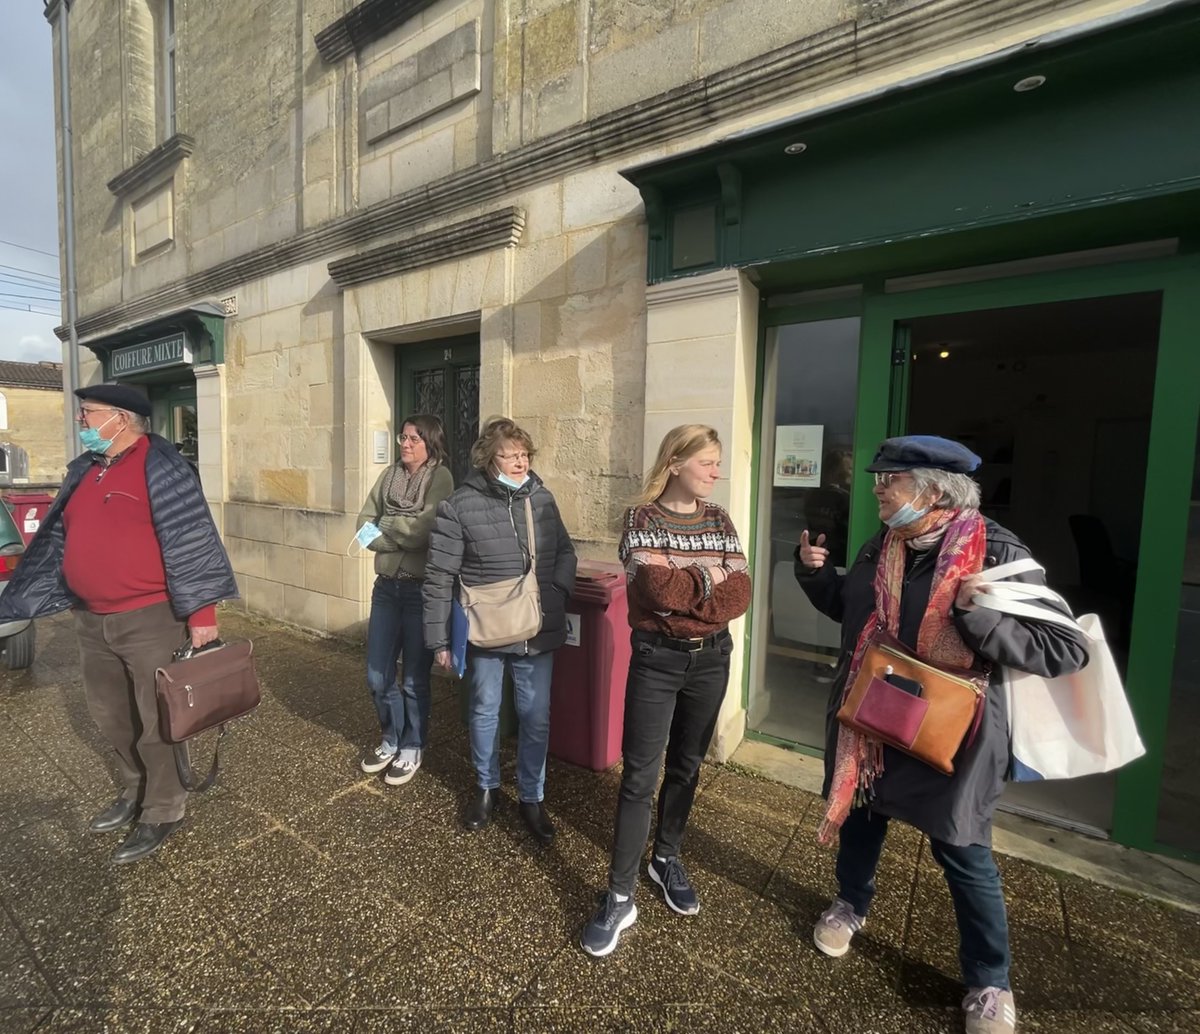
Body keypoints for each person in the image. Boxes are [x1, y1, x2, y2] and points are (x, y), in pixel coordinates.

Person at [795, 435, 1088, 1034]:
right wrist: (814, 578)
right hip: (876, 714)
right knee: (860, 816)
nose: (876, 488)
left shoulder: (997, 550)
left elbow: (1064, 648)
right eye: (878, 478)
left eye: (890, 480)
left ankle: (989, 980)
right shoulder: (887, 544)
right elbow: (855, 612)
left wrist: (977, 617)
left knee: (962, 850)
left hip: (957, 731)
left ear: (934, 490)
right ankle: (852, 903)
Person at [0, 384, 238, 864]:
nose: (81, 422)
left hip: (150, 619)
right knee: (111, 716)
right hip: (91, 620)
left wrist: (202, 616)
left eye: (88, 414)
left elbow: (192, 539)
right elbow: (59, 541)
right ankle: (136, 791)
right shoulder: (84, 470)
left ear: (121, 419)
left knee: (157, 722)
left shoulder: (163, 469)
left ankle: (164, 808)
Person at [581, 424, 751, 957]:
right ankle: (620, 894)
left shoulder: (720, 519)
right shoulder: (640, 518)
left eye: (718, 463)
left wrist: (691, 587)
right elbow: (655, 590)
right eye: (707, 462)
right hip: (656, 661)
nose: (716, 472)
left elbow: (740, 591)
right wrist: (708, 579)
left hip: (712, 660)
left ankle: (666, 857)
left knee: (687, 766)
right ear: (675, 462)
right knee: (639, 776)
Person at [423, 417, 577, 841]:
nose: (519, 461)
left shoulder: (542, 498)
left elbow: (565, 550)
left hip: (536, 629)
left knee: (536, 718)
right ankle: (486, 788)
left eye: (524, 454)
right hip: (486, 631)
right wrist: (439, 640)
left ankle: (532, 796)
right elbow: (439, 575)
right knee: (484, 712)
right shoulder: (459, 505)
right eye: (510, 454)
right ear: (489, 458)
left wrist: (557, 592)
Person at [355, 414, 454, 786]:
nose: (405, 444)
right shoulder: (388, 476)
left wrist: (391, 525)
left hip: (418, 591)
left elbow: (425, 530)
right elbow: (363, 527)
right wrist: (396, 529)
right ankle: (390, 737)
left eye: (413, 439)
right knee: (377, 674)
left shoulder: (440, 477)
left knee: (414, 678)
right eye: (403, 437)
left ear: (430, 442)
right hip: (386, 588)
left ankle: (413, 744)